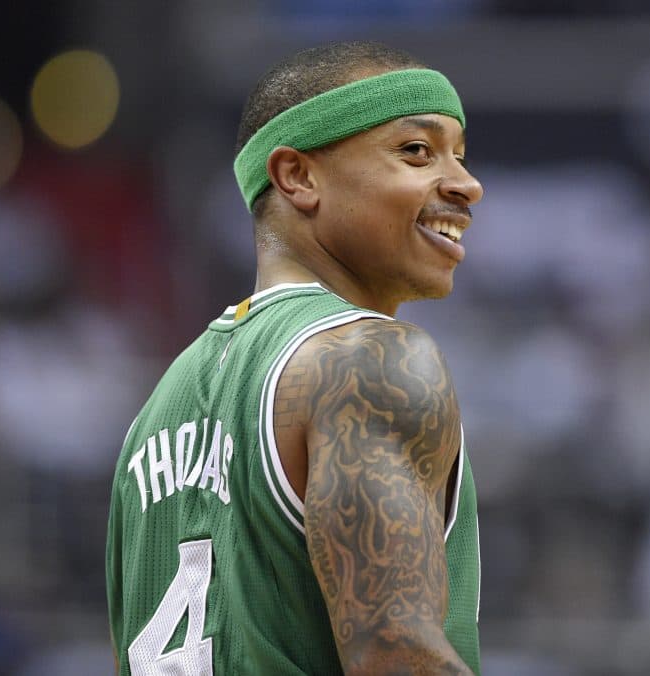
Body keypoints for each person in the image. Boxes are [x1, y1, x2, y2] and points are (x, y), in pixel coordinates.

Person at [106, 40, 484, 675]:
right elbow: (395, 656)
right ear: (298, 177)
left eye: (461, 156)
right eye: (416, 151)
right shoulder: (369, 360)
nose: (466, 184)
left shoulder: (152, 416)